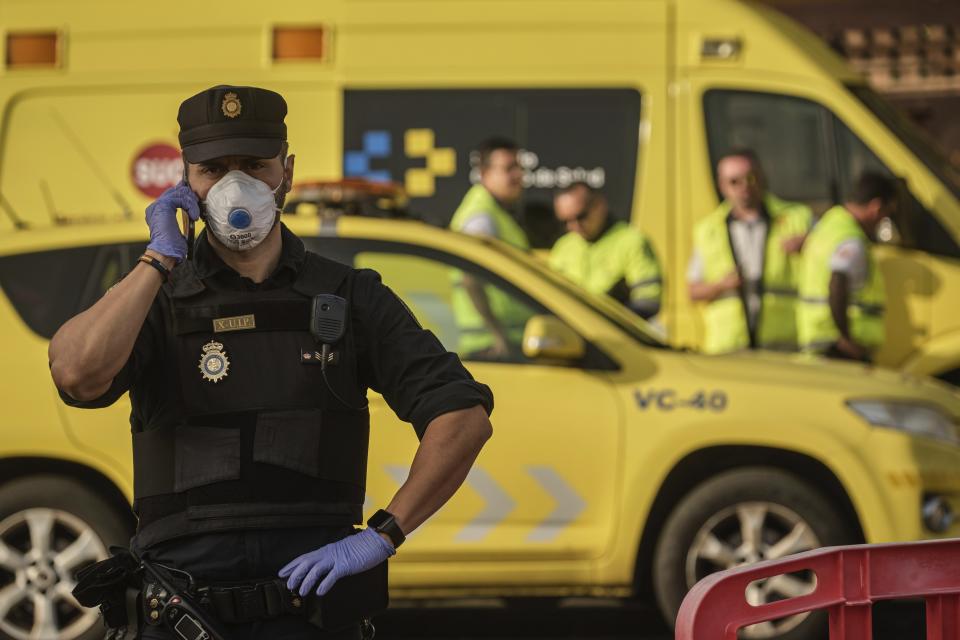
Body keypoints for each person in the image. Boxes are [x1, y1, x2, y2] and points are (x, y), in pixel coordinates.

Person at [48, 85, 494, 639]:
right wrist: (158, 259)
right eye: (212, 169)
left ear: (287, 171)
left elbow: (462, 416)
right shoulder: (155, 298)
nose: (236, 184)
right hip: (185, 613)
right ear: (186, 180)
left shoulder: (349, 296)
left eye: (255, 165)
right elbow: (76, 375)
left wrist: (382, 534)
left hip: (308, 612)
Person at [687, 149, 812, 354]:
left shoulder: (797, 218)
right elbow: (692, 291)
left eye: (750, 178)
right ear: (722, 186)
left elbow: (834, 247)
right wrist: (721, 285)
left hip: (784, 345)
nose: (745, 187)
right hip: (730, 348)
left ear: (761, 177)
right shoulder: (708, 230)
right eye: (734, 182)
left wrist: (810, 242)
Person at [798, 172, 896, 362]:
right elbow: (837, 283)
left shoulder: (829, 223)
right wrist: (845, 336)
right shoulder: (851, 239)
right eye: (887, 213)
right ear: (876, 207)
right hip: (840, 348)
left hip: (820, 341)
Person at [448, 137, 530, 359]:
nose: (518, 175)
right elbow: (470, 279)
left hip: (499, 341)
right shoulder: (481, 218)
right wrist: (498, 334)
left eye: (519, 167)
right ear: (484, 174)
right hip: (492, 345)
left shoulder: (494, 212)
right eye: (509, 168)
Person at [549, 182, 662, 319]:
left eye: (581, 216)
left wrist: (616, 318)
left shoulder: (631, 241)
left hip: (616, 334)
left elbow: (649, 300)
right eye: (565, 221)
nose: (574, 226)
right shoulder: (564, 246)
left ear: (599, 205)